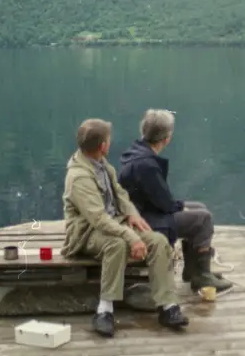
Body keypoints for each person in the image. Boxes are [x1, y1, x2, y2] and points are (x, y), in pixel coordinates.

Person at [61, 117, 189, 337]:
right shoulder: (79, 177)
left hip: (115, 223)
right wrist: (132, 237)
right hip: (87, 233)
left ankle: (167, 306)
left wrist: (132, 213)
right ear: (102, 145)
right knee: (117, 244)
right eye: (108, 140)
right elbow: (98, 219)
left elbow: (120, 194)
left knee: (157, 240)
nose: (110, 143)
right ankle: (105, 310)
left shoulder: (101, 164)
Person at [117, 109, 234, 293]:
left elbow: (160, 198)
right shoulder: (146, 165)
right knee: (203, 218)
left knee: (199, 207)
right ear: (167, 138)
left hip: (141, 211)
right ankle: (202, 278)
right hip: (144, 220)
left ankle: (192, 270)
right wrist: (180, 207)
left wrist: (180, 206)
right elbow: (165, 204)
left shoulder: (136, 151)